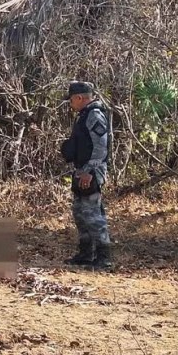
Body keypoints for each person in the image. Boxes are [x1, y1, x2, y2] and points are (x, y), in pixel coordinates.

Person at [60, 81, 113, 270]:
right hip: (81, 170)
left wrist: (90, 172)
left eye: (71, 100)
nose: (70, 104)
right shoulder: (84, 115)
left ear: (79, 98)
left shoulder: (95, 115)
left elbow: (100, 147)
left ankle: (103, 257)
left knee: (92, 215)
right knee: (80, 213)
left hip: (91, 172)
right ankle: (85, 254)